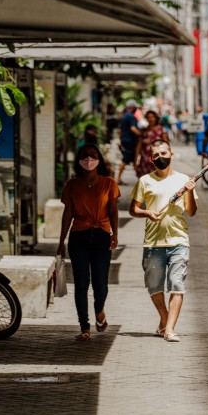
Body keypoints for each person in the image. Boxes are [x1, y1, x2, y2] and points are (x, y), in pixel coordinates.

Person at [129, 139, 197, 342]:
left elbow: (192, 212)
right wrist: (147, 213)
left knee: (177, 284)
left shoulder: (184, 180)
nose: (160, 158)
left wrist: (190, 191)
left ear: (171, 154)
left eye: (164, 153)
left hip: (179, 240)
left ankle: (169, 329)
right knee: (154, 287)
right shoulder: (145, 181)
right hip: (153, 242)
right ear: (151, 158)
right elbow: (133, 209)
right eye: (156, 155)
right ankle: (165, 320)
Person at [57, 144, 121, 341]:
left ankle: (99, 309)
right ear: (78, 161)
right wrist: (61, 241)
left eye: (92, 156)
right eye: (84, 156)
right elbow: (67, 213)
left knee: (101, 284)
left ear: (99, 159)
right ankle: (84, 327)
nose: (88, 159)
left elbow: (113, 210)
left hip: (102, 235)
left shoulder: (109, 183)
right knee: (81, 284)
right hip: (79, 237)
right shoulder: (71, 185)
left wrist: (115, 234)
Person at [136, 110, 169, 178]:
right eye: (148, 117)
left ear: (156, 118)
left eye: (152, 117)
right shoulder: (144, 131)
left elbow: (166, 145)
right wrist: (135, 160)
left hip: (157, 160)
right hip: (144, 161)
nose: (150, 119)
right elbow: (139, 146)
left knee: (158, 180)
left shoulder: (161, 130)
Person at [117, 99, 141, 185]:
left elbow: (119, 131)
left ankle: (140, 178)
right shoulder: (131, 117)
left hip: (125, 140)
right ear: (132, 107)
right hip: (130, 141)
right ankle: (118, 179)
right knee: (127, 159)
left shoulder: (124, 116)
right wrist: (141, 134)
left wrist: (121, 140)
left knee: (131, 159)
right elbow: (133, 128)